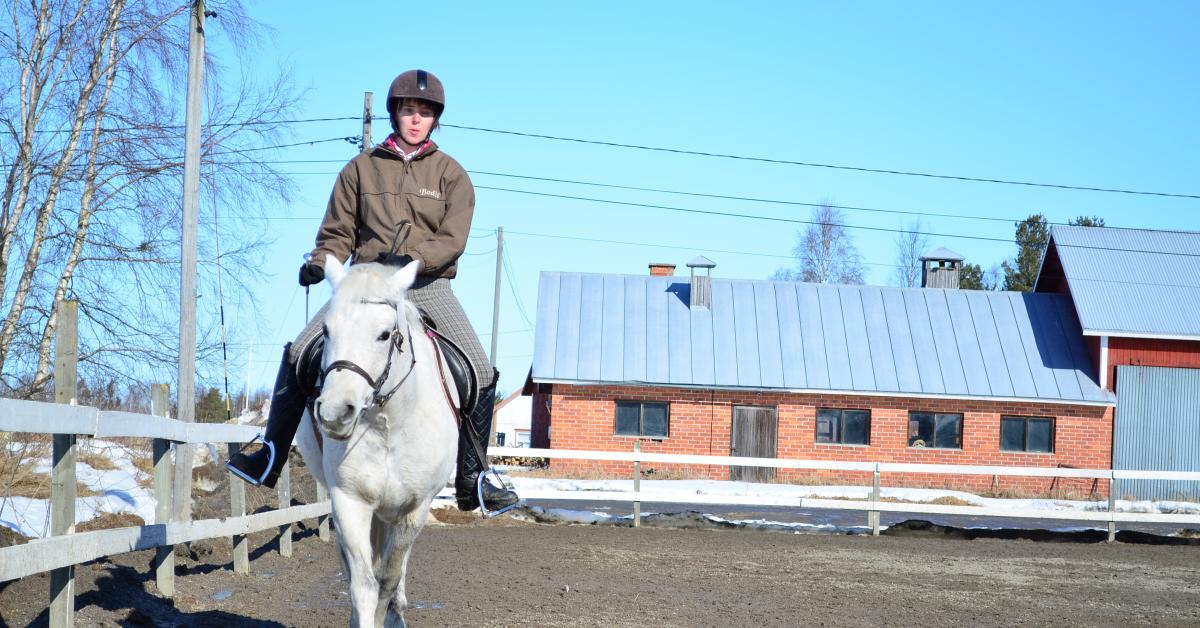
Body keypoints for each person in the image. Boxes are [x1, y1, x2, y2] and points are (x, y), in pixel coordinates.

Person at [227, 69, 519, 514]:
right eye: (408, 110)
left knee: (478, 367)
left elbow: (452, 238)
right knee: (300, 351)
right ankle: (270, 453)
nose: (415, 119)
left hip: (426, 283)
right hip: (365, 284)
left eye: (424, 112)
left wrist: (416, 259)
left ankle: (473, 476)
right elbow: (337, 230)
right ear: (394, 114)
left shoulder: (451, 175)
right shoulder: (360, 169)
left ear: (435, 118)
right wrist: (319, 260)